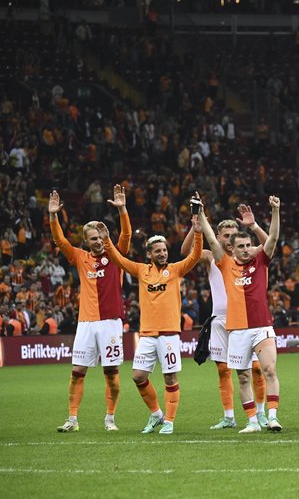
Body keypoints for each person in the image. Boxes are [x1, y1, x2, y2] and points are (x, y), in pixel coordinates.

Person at [98, 215, 203, 435]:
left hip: (169, 334)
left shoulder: (175, 269)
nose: (163, 253)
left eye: (164, 250)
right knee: (138, 376)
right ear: (149, 254)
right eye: (158, 251)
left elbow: (194, 256)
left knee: (170, 377)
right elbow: (118, 259)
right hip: (147, 334)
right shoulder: (140, 270)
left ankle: (169, 422)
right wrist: (107, 240)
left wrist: (198, 232)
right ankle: (157, 414)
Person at [181, 203, 270, 430]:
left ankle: (261, 413)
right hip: (220, 319)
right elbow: (185, 253)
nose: (231, 239)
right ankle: (229, 416)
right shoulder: (211, 256)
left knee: (256, 369)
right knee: (223, 370)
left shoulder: (249, 254)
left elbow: (270, 244)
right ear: (218, 237)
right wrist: (195, 227)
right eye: (226, 235)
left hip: (248, 320)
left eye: (234, 234)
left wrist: (255, 226)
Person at [50, 185, 131, 433]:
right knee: (77, 372)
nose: (98, 242)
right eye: (93, 238)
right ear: (85, 241)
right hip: (85, 323)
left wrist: (122, 211)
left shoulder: (116, 255)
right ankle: (72, 419)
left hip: (110, 323)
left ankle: (110, 419)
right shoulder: (79, 257)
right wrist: (53, 216)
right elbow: (59, 240)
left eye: (100, 237)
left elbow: (126, 235)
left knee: (111, 373)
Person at [199, 195, 283, 433]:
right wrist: (201, 214)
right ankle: (252, 422)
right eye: (241, 247)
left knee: (269, 370)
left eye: (248, 245)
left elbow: (273, 238)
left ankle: (272, 417)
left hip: (261, 326)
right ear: (232, 249)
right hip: (236, 329)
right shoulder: (225, 264)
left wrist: (273, 212)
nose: (246, 250)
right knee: (243, 377)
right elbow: (210, 238)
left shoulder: (260, 261)